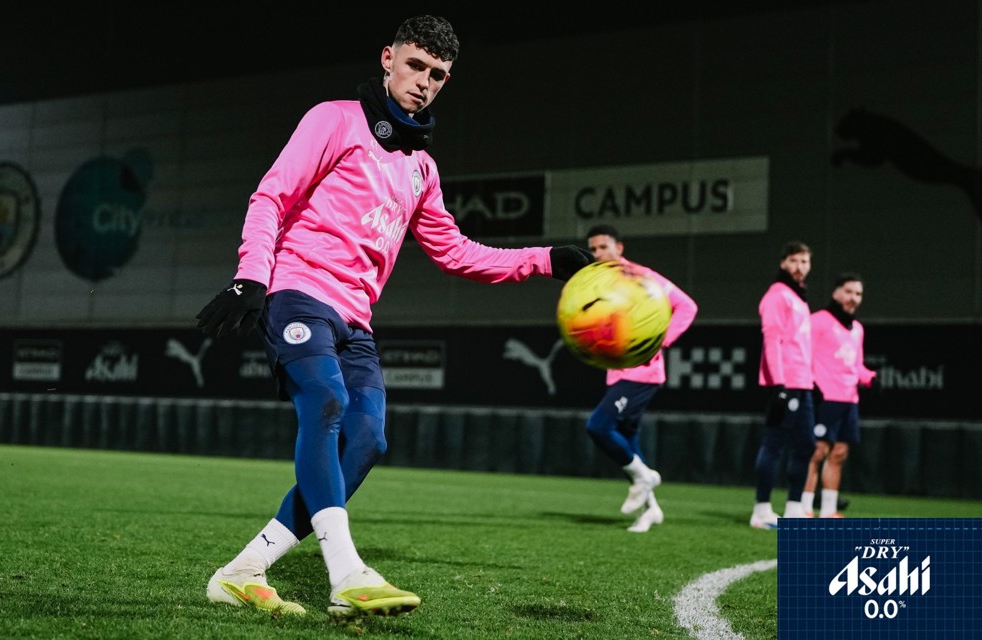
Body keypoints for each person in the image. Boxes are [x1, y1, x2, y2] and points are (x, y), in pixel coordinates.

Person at [194, 15, 592, 619]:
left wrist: (545, 260)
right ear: (388, 59)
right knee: (325, 401)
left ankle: (243, 571)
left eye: (439, 75)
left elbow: (456, 252)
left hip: (356, 320)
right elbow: (271, 195)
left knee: (367, 439)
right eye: (416, 66)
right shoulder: (334, 119)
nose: (424, 82)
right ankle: (347, 573)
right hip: (298, 291)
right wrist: (252, 276)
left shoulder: (421, 170)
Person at [581, 224, 698, 533]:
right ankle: (651, 510)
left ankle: (646, 478)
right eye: (593, 249)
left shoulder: (640, 276)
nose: (597, 253)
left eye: (603, 247)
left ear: (619, 248)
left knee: (598, 426)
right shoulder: (596, 283)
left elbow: (687, 306)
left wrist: (661, 341)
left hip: (643, 372)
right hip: (617, 372)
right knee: (629, 442)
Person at [750, 240, 816, 529]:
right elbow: (772, 341)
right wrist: (778, 385)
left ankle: (794, 509)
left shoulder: (798, 297)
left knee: (806, 445)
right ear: (783, 263)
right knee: (774, 444)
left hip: (803, 383)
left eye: (804, 261)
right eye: (794, 260)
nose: (799, 266)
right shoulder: (777, 295)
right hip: (786, 382)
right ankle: (761, 510)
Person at [800, 273, 877, 518]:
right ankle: (804, 507)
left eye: (858, 294)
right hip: (825, 398)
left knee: (839, 453)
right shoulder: (818, 321)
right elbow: (803, 355)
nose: (853, 298)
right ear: (836, 293)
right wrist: (811, 387)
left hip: (849, 400)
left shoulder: (857, 329)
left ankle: (828, 510)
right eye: (849, 292)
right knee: (817, 452)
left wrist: (869, 377)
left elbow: (856, 364)